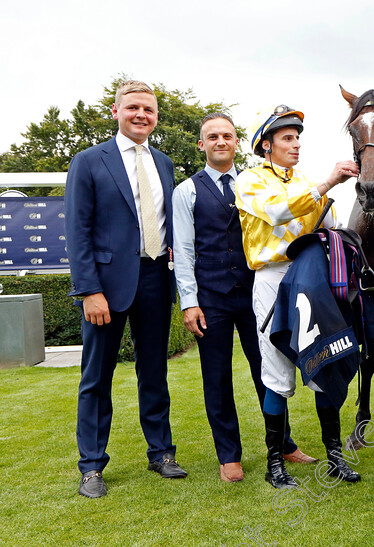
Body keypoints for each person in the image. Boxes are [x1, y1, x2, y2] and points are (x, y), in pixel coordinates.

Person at [172, 113, 316, 484]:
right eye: (212, 136)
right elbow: (184, 252)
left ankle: (283, 444)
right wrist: (189, 301)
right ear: (201, 144)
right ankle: (228, 455)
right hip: (212, 297)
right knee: (216, 377)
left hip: (256, 290)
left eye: (228, 135)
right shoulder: (186, 191)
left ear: (237, 143)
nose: (221, 141)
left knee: (268, 369)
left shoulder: (258, 183)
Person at [66, 80, 186, 498]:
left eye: (148, 110)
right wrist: (87, 290)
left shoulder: (165, 163)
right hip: (105, 286)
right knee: (96, 377)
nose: (141, 115)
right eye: (133, 107)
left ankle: (162, 453)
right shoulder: (88, 161)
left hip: (155, 278)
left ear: (156, 117)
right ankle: (92, 467)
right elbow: (77, 231)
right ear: (115, 112)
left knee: (154, 372)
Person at [235, 105, 360, 489]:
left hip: (312, 281)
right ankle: (276, 464)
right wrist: (325, 185)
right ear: (266, 145)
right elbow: (276, 213)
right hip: (272, 281)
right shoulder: (250, 180)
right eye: (287, 138)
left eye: (297, 137)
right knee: (276, 371)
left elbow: (331, 226)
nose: (296, 144)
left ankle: (335, 455)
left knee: (325, 358)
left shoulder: (302, 179)